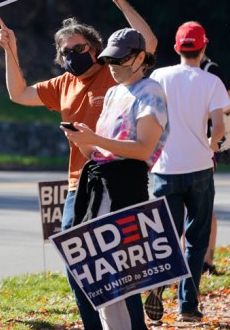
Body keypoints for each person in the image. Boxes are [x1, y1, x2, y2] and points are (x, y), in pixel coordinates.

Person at [0, 0, 157, 330]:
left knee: (119, 262)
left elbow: (147, 42)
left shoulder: (114, 73)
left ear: (95, 49)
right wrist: (11, 50)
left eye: (79, 48)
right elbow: (18, 94)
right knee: (77, 259)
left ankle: (134, 325)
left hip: (118, 180)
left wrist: (119, 0)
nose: (73, 55)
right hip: (77, 185)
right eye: (65, 52)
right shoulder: (63, 84)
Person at [62, 27, 168, 330]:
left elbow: (144, 148)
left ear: (139, 58)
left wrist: (95, 139)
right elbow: (103, 146)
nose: (113, 66)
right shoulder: (113, 92)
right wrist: (83, 141)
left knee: (122, 275)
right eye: (109, 60)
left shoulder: (151, 91)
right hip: (99, 185)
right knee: (96, 273)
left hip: (126, 189)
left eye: (119, 60)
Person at [147, 21, 230, 323]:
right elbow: (220, 127)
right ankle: (188, 307)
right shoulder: (211, 82)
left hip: (165, 168)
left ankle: (157, 285)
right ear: (203, 47)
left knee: (167, 234)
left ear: (176, 48)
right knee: (196, 239)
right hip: (199, 167)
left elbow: (151, 115)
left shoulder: (159, 76)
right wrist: (210, 145)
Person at [200, 54, 230, 275]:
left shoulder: (210, 69)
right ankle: (194, 260)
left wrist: (203, 111)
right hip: (189, 145)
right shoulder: (181, 72)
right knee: (190, 207)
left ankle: (208, 261)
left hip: (207, 145)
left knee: (203, 206)